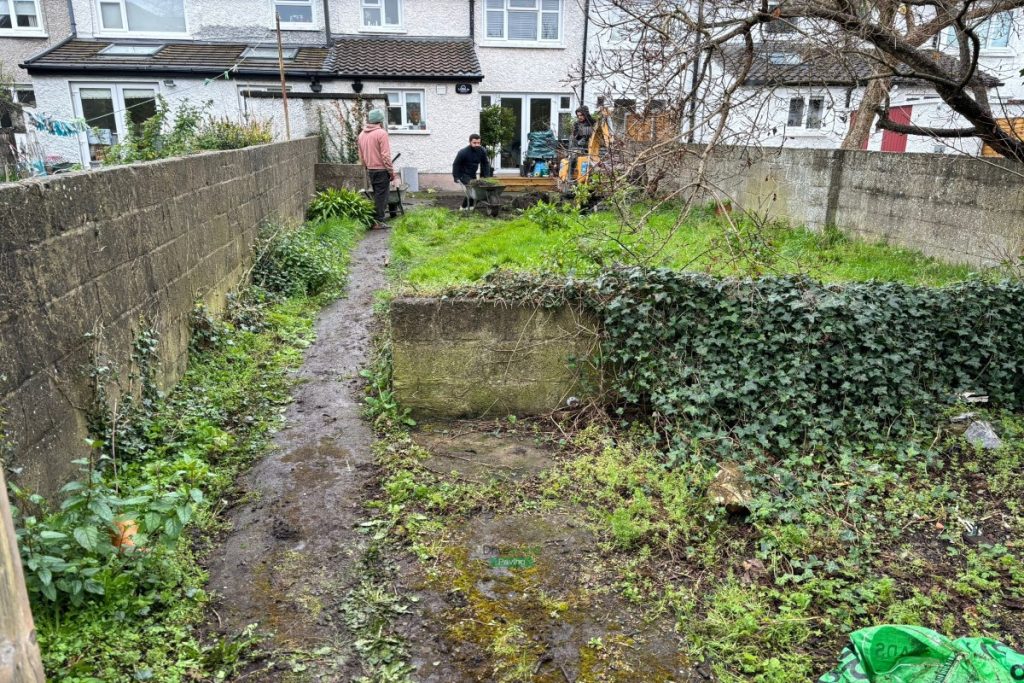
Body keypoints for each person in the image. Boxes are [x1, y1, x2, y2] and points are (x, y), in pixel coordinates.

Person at [357, 108, 397, 229]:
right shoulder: (381, 133)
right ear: (380, 121)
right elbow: (385, 156)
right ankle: (378, 222)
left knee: (376, 196)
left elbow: (361, 156)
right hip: (381, 170)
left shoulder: (361, 135)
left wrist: (366, 167)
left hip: (370, 170)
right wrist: (391, 172)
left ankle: (375, 220)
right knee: (382, 197)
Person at [452, 133, 492, 210]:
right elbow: (456, 164)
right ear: (470, 142)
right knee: (472, 188)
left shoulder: (482, 151)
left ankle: (470, 207)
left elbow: (485, 163)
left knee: (475, 189)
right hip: (462, 174)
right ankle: (464, 207)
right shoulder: (463, 152)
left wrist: (487, 176)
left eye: (478, 143)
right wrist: (455, 176)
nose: (477, 145)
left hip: (472, 174)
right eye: (474, 143)